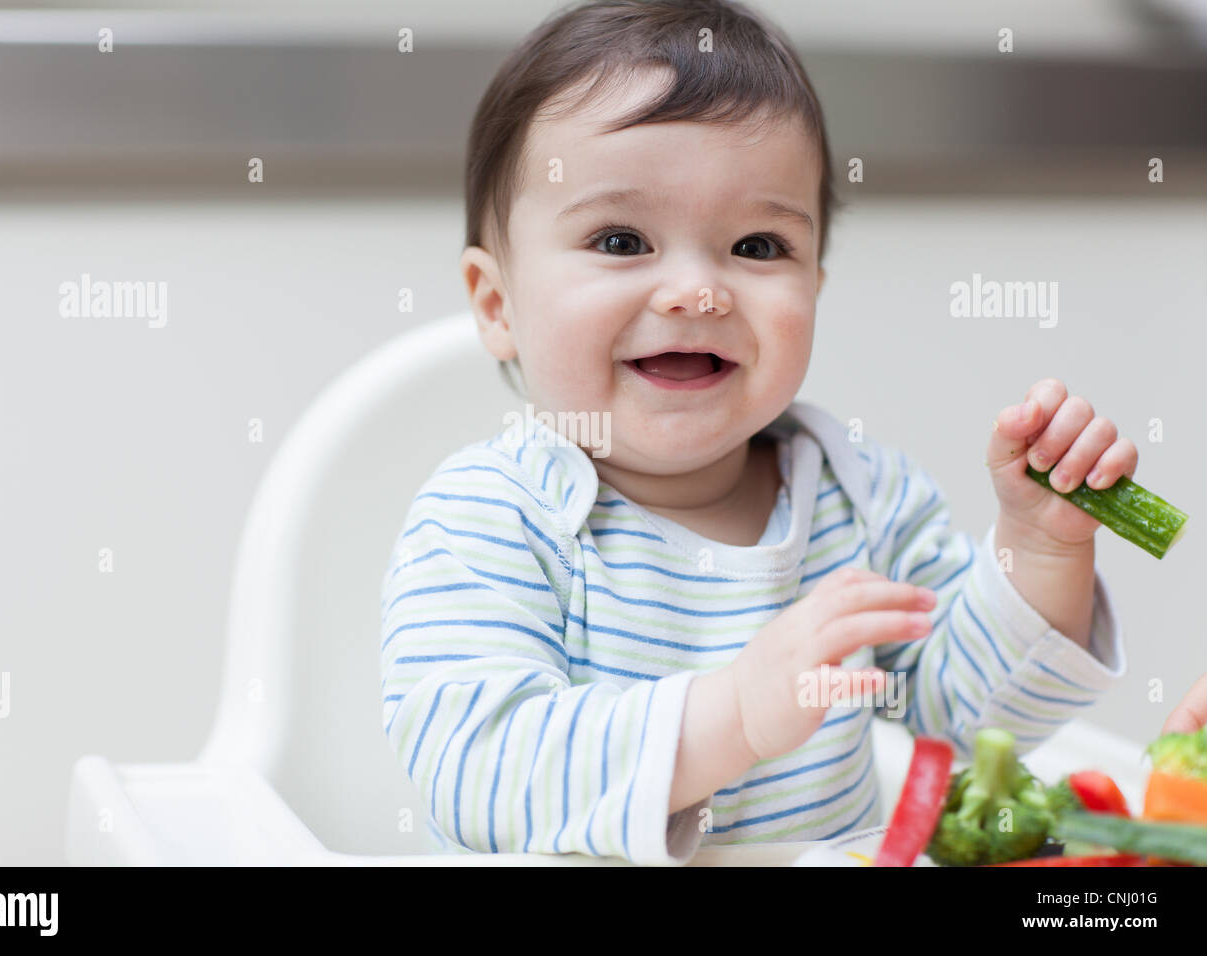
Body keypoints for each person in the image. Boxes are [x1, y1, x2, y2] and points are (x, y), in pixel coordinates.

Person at [378, 0, 1137, 863]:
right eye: (622, 239)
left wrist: (1040, 554)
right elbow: (479, 770)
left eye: (758, 245)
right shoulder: (489, 519)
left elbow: (971, 722)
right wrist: (734, 713)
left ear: (816, 280)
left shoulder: (863, 502)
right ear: (496, 304)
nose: (698, 292)